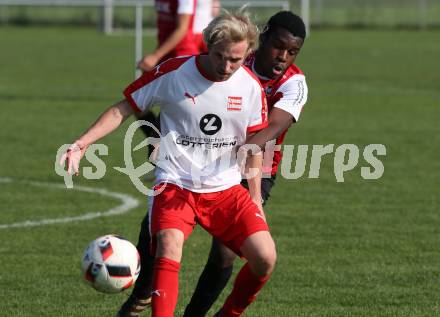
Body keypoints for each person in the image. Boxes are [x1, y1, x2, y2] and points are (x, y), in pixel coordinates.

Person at [61, 11, 277, 317]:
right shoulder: (174, 73)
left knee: (265, 258)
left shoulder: (251, 87)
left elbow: (256, 144)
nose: (226, 66)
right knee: (168, 244)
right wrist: (82, 143)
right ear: (207, 46)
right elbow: (124, 108)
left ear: (247, 54)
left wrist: (254, 196)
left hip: (226, 189)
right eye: (220, 56)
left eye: (236, 60)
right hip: (175, 183)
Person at [183, 11, 308, 317]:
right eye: (279, 46)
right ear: (263, 38)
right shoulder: (236, 61)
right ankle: (142, 293)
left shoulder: (295, 83)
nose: (283, 57)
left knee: (226, 251)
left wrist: (238, 149)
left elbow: (273, 128)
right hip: (206, 158)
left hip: (256, 171)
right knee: (161, 231)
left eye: (292, 52)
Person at [137, 0, 200, 159]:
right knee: (137, 102)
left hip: (182, 56)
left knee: (175, 110)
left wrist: (155, 55)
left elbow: (182, 28)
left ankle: (165, 154)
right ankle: (158, 147)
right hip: (165, 57)